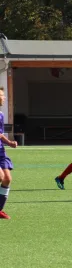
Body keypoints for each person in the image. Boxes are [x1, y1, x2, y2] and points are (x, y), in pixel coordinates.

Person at [0, 88, 17, 220]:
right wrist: (9, 142)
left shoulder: (0, 114)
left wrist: (8, 143)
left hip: (0, 151)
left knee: (7, 179)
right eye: (1, 95)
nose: (4, 98)